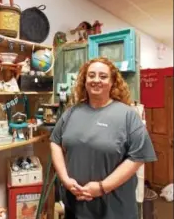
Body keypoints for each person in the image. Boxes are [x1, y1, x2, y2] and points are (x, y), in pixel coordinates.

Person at [50, 57, 157, 219]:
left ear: (113, 82)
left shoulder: (127, 115)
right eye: (91, 75)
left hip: (114, 209)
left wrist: (102, 187)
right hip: (76, 207)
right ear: (84, 80)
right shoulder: (71, 113)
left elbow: (138, 157)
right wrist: (65, 179)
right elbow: (55, 142)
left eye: (103, 76)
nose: (96, 80)